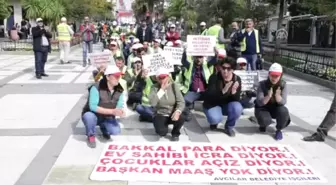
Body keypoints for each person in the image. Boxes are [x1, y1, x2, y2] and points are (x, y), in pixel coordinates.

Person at [82, 65, 125, 148]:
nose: (118, 78)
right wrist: (112, 111)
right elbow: (93, 107)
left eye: (119, 76)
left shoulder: (120, 89)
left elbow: (119, 105)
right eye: (116, 76)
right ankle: (90, 135)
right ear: (108, 77)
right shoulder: (96, 87)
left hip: (107, 116)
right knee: (89, 117)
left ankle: (104, 127)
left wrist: (120, 111)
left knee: (115, 131)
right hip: (94, 114)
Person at [203, 57, 243, 137]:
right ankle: (214, 122)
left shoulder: (237, 79)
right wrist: (222, 91)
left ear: (232, 70)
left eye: (228, 69)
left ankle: (229, 127)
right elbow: (209, 96)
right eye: (223, 68)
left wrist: (234, 93)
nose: (225, 71)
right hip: (213, 104)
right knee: (215, 119)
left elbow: (237, 100)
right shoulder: (214, 78)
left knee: (238, 108)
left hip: (226, 105)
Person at [254, 63, 290, 141]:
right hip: (263, 108)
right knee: (264, 120)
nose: (274, 78)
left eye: (276, 76)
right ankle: (263, 125)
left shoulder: (283, 85)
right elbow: (259, 102)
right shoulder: (262, 84)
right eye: (272, 75)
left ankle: (279, 129)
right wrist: (268, 96)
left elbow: (283, 102)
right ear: (269, 74)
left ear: (280, 76)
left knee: (283, 111)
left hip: (275, 108)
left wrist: (278, 97)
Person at [149, 68, 185, 141]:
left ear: (168, 77)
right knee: (161, 132)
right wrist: (161, 90)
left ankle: (175, 133)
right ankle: (158, 124)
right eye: (160, 78)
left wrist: (177, 111)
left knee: (181, 118)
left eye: (164, 77)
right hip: (160, 113)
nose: (162, 80)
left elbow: (181, 101)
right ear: (157, 79)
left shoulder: (174, 86)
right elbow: (152, 103)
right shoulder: (154, 87)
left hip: (172, 113)